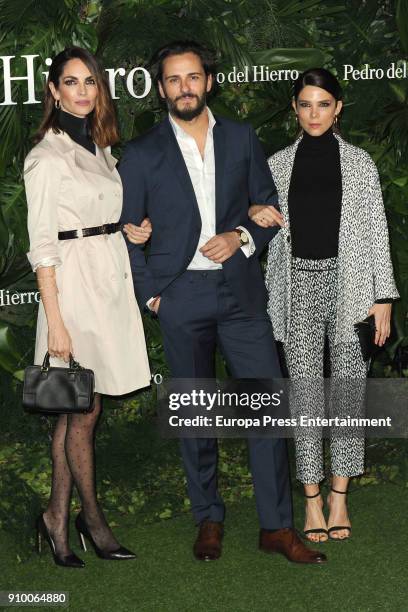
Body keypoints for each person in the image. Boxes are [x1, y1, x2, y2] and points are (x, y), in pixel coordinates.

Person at [120, 41, 326, 564]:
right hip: (180, 297)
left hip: (240, 295)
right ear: (160, 88)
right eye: (173, 80)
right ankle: (208, 519)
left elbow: (269, 207)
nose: (184, 87)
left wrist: (240, 237)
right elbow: (127, 232)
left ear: (208, 81)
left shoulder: (241, 137)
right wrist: (153, 295)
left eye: (192, 77)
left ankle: (276, 526)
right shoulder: (142, 152)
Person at [250, 68, 399, 542]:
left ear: (338, 109)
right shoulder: (275, 165)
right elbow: (257, 224)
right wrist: (253, 213)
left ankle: (340, 494)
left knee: (349, 394)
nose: (314, 113)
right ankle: (312, 500)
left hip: (350, 284)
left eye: (323, 104)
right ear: (295, 109)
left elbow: (377, 233)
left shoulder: (360, 164)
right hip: (297, 285)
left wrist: (384, 297)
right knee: (308, 394)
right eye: (305, 104)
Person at [24, 46, 151, 568]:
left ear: (99, 90)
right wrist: (56, 321)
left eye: (89, 83)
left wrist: (129, 229)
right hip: (72, 289)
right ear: (53, 91)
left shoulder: (99, 147)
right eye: (70, 83)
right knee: (81, 409)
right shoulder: (46, 156)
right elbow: (42, 243)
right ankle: (90, 519)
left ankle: (58, 515)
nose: (81, 91)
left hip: (107, 277)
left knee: (81, 409)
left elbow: (98, 211)